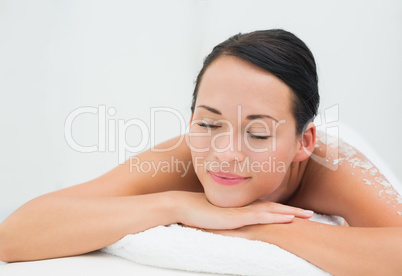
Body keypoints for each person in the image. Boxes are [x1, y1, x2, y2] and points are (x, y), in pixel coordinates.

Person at [0, 29, 401, 275]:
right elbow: (14, 235)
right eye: (209, 124)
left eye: (258, 134)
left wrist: (256, 226)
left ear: (304, 142)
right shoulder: (180, 159)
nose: (225, 154)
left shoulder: (330, 165)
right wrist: (176, 205)